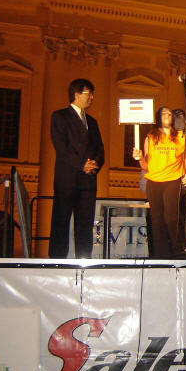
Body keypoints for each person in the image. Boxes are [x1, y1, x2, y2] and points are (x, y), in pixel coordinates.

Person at [49, 78, 104, 259]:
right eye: (89, 94)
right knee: (61, 220)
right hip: (67, 178)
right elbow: (61, 146)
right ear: (77, 94)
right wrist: (82, 164)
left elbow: (100, 149)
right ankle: (57, 260)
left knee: (85, 223)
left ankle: (84, 260)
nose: (92, 98)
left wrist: (94, 164)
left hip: (88, 180)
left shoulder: (92, 122)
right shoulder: (60, 116)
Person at [133, 107, 185, 259]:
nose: (167, 115)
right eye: (164, 113)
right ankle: (160, 255)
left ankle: (177, 251)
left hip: (172, 180)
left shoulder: (181, 137)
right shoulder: (151, 137)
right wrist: (140, 158)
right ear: (158, 117)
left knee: (171, 218)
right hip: (154, 181)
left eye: (169, 114)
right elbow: (146, 166)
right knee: (156, 220)